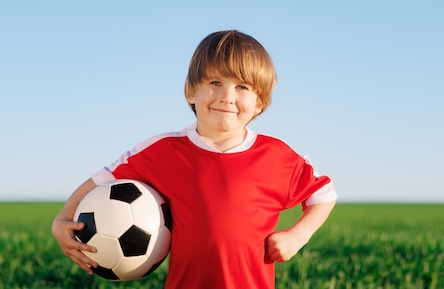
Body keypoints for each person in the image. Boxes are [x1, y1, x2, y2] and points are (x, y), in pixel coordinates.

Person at [52, 29, 337, 289]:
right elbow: (103, 179)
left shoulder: (276, 156)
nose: (227, 96)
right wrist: (63, 219)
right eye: (215, 82)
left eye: (242, 87)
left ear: (259, 101)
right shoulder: (163, 151)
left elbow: (323, 195)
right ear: (191, 91)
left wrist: (298, 236)